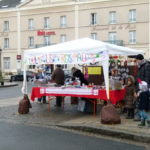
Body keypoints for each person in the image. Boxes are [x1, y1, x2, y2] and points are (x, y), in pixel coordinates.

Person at [134, 54, 150, 121]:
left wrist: (144, 88)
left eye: (137, 60)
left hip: (144, 88)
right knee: (139, 102)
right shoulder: (140, 66)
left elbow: (147, 78)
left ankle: (144, 118)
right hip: (140, 86)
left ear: (140, 59)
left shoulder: (146, 66)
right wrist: (137, 89)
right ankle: (140, 117)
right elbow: (138, 78)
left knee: (143, 103)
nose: (136, 61)